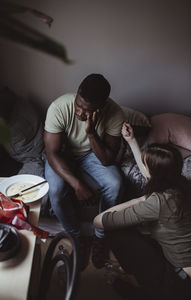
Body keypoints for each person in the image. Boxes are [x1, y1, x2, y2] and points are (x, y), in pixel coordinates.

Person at [93, 122, 191, 299]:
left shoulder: (157, 202)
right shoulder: (184, 184)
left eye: (146, 165)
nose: (143, 168)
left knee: (116, 233)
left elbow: (99, 221)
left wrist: (139, 200)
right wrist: (132, 140)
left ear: (156, 172)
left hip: (184, 284)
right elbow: (148, 172)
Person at [44, 74, 124, 270]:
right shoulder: (59, 107)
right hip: (63, 154)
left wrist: (91, 132)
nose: (79, 112)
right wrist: (77, 184)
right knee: (55, 190)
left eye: (86, 110)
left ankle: (100, 237)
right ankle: (76, 237)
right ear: (78, 93)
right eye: (78, 104)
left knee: (115, 183)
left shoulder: (115, 114)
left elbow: (107, 159)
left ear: (101, 106)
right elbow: (51, 152)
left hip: (91, 155)